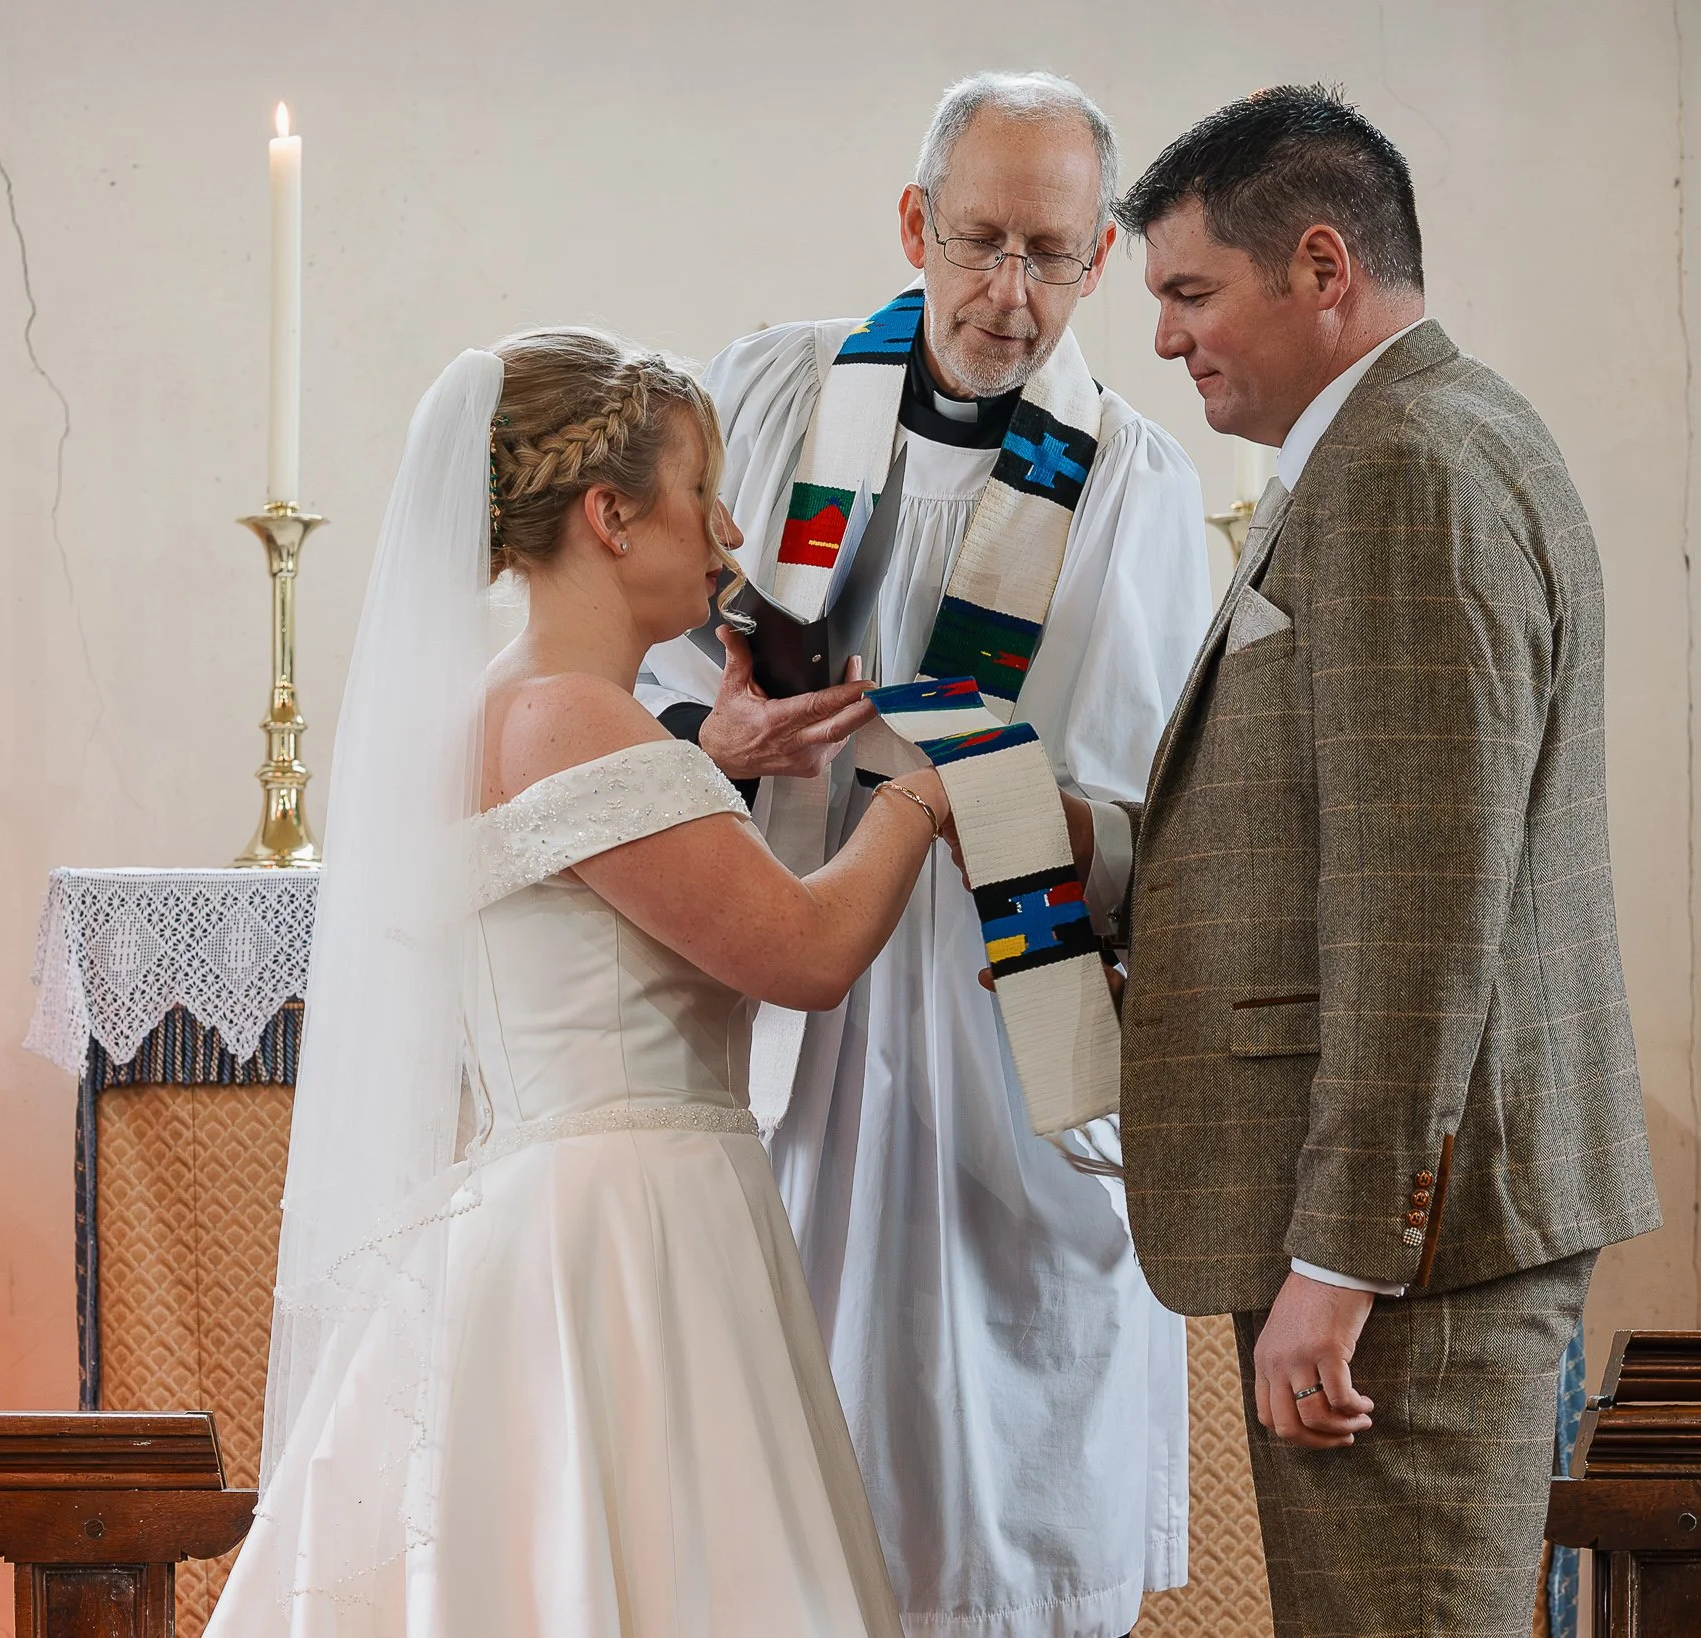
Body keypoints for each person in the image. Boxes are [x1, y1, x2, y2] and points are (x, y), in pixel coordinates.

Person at [206, 329, 959, 1637]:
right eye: (698, 485)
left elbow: (603, 907)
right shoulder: (575, 715)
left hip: (553, 1208)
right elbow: (806, 953)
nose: (730, 527)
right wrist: (915, 796)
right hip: (630, 1229)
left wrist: (709, 761)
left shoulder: (509, 708)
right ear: (610, 514)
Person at [1064, 86, 1664, 1637]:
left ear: (1320, 266)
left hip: (1417, 1255)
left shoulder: (1405, 470)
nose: (1167, 340)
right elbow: (1337, 824)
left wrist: (1342, 1258)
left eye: (1191, 293)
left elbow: (1419, 899)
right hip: (1428, 1234)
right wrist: (1098, 847)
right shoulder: (1409, 440)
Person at [638, 71, 1209, 1638]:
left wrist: (1005, 805)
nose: (1008, 296)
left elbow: (1168, 813)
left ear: (1099, 261)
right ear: (913, 225)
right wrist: (725, 739)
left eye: (1048, 253)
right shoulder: (764, 398)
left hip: (997, 1029)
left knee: (990, 1491)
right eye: (977, 243)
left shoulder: (1135, 489)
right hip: (783, 989)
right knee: (786, 1484)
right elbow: (641, 675)